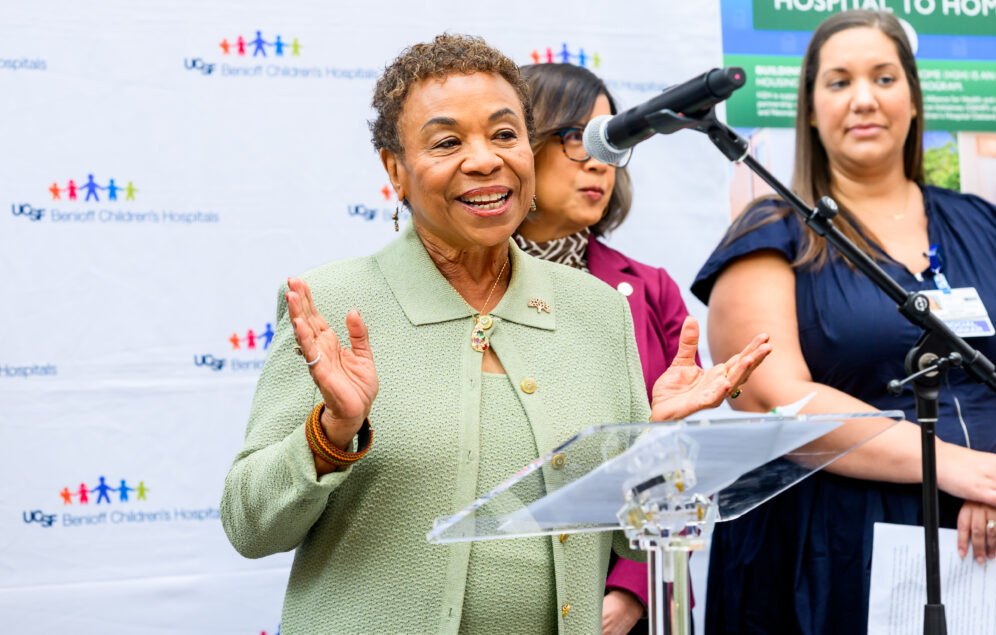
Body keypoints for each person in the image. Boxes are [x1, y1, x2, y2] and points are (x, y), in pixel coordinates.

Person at [220, 34, 771, 634]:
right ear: (395, 171)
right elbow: (251, 527)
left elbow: (635, 549)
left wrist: (654, 445)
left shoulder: (596, 311)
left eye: (505, 135)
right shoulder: (332, 303)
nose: (485, 159)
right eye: (448, 141)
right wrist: (332, 433)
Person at [691, 9, 996, 634]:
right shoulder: (771, 232)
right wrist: (948, 464)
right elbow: (774, 398)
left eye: (885, 78)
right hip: (837, 547)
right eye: (839, 82)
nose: (864, 99)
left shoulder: (993, 225)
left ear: (916, 99)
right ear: (811, 111)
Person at [515, 62, 698, 635]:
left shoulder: (652, 289)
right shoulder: (460, 282)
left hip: (622, 597)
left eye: (611, 141)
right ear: (518, 145)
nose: (599, 160)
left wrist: (633, 589)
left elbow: (679, 458)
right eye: (575, 138)